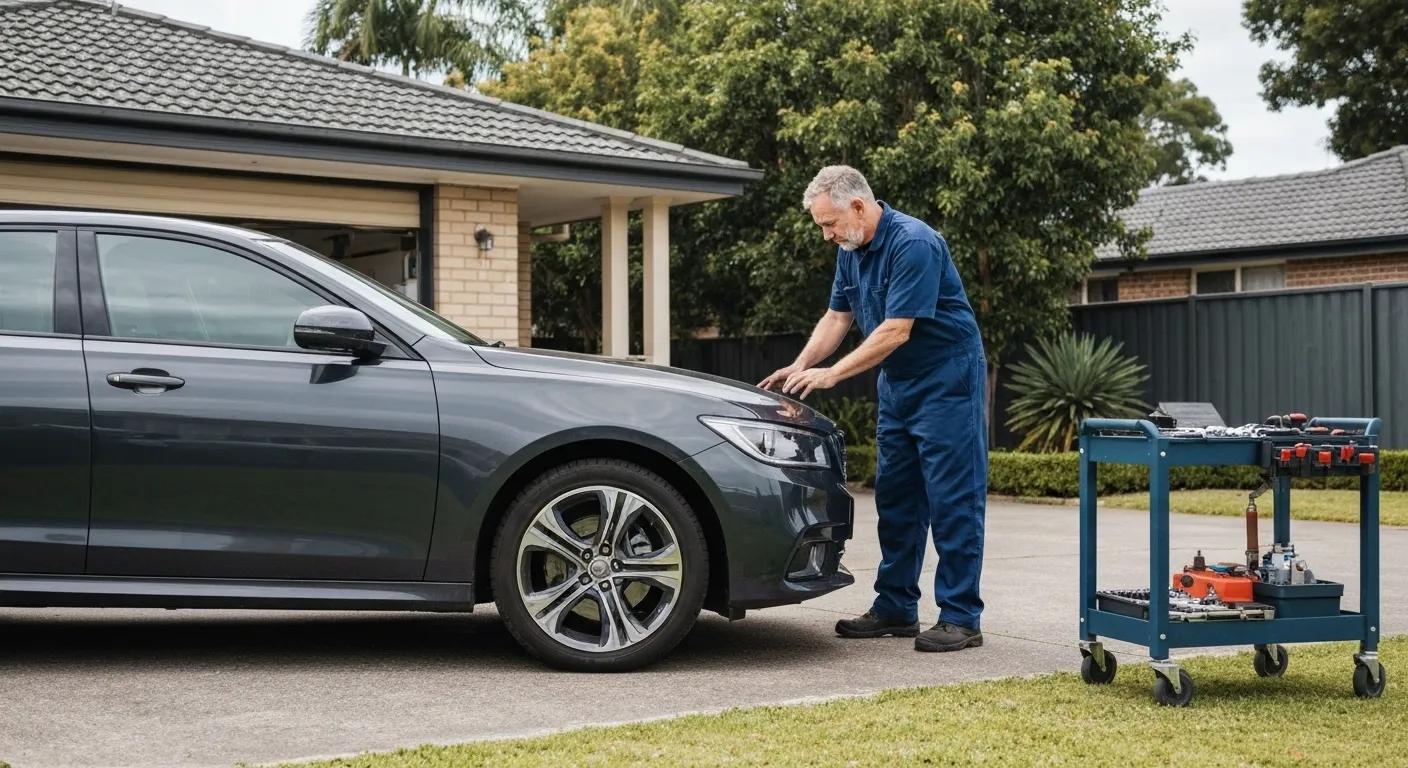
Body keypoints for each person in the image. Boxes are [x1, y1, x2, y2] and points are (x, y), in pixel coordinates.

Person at [759, 165, 987, 652]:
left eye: (830, 224)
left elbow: (895, 330)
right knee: (897, 500)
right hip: (899, 385)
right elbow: (837, 317)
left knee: (953, 500)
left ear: (858, 207)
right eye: (821, 225)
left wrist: (833, 374)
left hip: (947, 380)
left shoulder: (915, 243)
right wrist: (799, 366)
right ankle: (896, 607)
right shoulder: (851, 250)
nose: (827, 235)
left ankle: (961, 617)